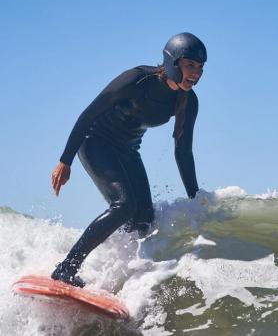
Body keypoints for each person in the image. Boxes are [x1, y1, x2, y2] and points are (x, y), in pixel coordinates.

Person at [51, 32, 207, 288]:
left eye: (200, 68)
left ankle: (119, 279)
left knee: (144, 219)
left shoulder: (188, 102)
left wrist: (195, 199)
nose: (197, 73)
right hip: (95, 142)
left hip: (128, 151)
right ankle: (65, 270)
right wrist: (65, 161)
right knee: (123, 205)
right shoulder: (137, 79)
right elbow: (88, 114)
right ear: (173, 62)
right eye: (191, 65)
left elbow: (183, 151)